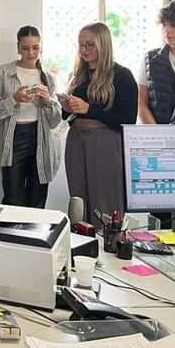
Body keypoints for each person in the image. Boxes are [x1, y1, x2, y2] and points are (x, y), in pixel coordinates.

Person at [63, 22, 137, 225]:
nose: (84, 50)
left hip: (106, 143)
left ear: (103, 45)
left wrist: (89, 109)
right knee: (78, 202)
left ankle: (109, 248)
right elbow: (68, 116)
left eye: (90, 45)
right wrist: (67, 108)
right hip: (77, 141)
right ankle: (81, 249)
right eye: (81, 45)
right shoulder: (78, 76)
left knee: (105, 200)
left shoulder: (122, 76)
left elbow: (127, 120)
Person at [0, 26, 63, 208]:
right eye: (25, 48)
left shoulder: (48, 78)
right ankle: (12, 236)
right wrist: (13, 99)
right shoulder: (3, 73)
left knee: (38, 196)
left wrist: (48, 101)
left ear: (41, 47)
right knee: (13, 197)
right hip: (13, 137)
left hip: (41, 138)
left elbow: (56, 120)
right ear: (18, 47)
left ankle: (34, 236)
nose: (31, 52)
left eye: (35, 47)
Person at [138, 1, 175, 125]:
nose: (167, 30)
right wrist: (159, 134)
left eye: (174, 25)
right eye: (164, 25)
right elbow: (141, 104)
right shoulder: (150, 59)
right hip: (158, 137)